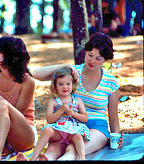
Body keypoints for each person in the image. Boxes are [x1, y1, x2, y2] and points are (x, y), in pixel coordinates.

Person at [31, 32, 123, 160]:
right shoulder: (73, 73)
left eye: (98, 58)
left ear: (105, 60)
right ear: (85, 52)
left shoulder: (111, 82)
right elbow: (36, 74)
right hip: (68, 124)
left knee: (74, 148)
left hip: (96, 127)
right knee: (53, 149)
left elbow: (113, 117)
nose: (92, 61)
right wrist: (64, 66)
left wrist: (115, 137)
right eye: (90, 55)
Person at [0, 36, 37, 161]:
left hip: (22, 135)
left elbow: (19, 113)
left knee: (2, 104)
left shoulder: (27, 81)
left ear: (8, 55)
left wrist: (0, 99)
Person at [17, 67, 90, 161]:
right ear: (55, 86)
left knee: (78, 137)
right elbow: (49, 119)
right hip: (58, 130)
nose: (65, 87)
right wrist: (61, 110)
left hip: (72, 131)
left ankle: (81, 157)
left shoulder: (77, 101)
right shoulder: (53, 101)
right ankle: (33, 158)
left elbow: (85, 118)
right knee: (47, 130)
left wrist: (73, 113)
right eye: (60, 84)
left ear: (73, 85)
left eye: (68, 84)